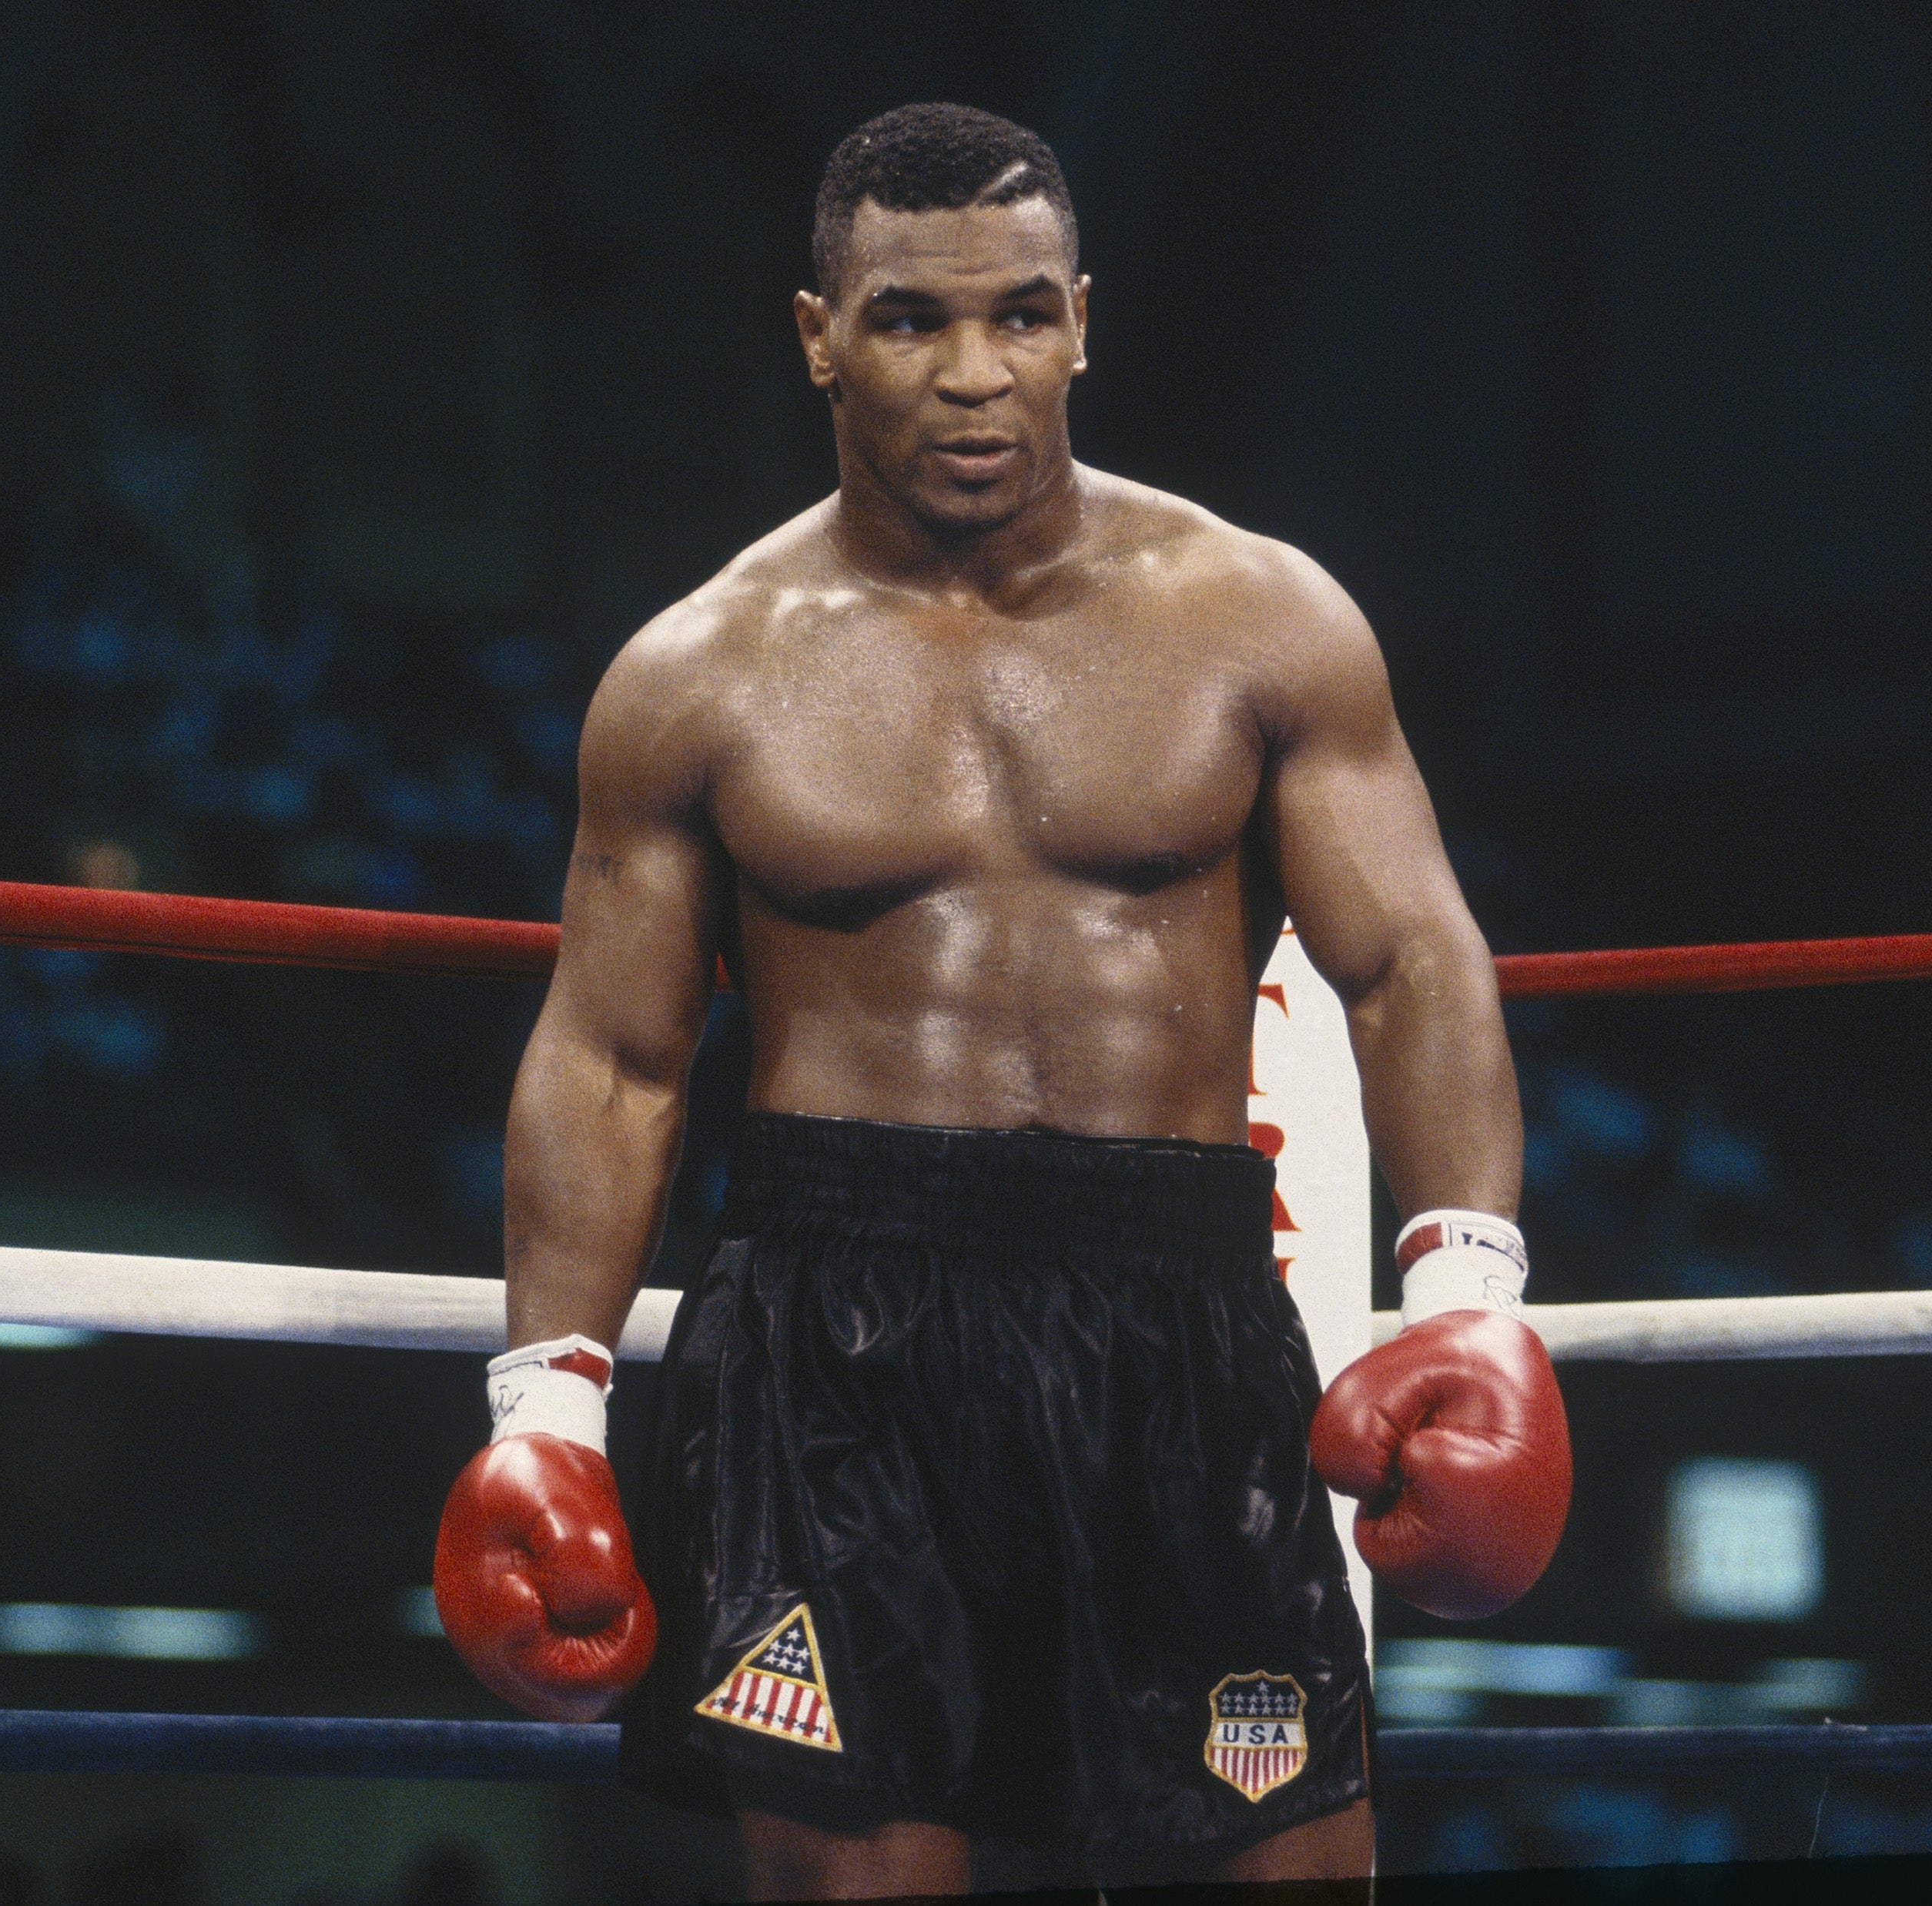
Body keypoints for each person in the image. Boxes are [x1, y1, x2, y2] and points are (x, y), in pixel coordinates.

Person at [432, 103, 1569, 1900]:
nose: (975, 375)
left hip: (1176, 1314)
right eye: (908, 321)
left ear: (1082, 321)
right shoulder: (695, 675)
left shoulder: (1261, 620)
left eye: (1019, 315)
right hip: (833, 1340)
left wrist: (1469, 1295)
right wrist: (544, 1415)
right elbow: (613, 1056)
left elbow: (1410, 958)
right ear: (817, 332)